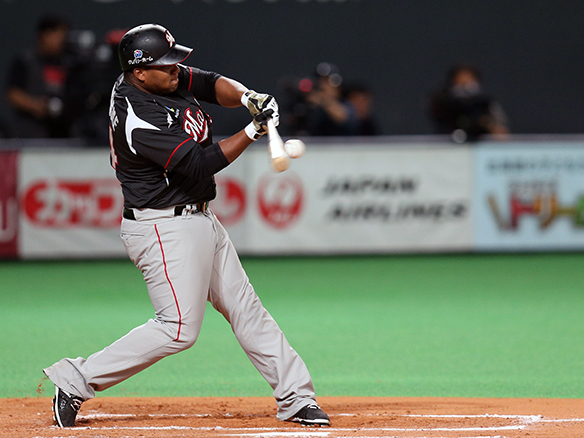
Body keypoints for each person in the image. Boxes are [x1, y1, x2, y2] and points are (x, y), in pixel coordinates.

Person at [42, 24, 330, 428]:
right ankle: (75, 380)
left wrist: (247, 97)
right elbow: (197, 164)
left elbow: (210, 83)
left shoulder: (162, 79)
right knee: (177, 329)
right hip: (163, 227)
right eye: (166, 64)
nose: (176, 69)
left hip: (198, 218)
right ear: (140, 72)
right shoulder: (138, 114)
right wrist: (252, 130)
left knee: (245, 307)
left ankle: (296, 397)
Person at [5, 15, 85, 138]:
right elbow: (13, 94)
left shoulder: (70, 64)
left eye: (63, 35)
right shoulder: (25, 61)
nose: (60, 40)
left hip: (63, 134)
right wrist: (37, 105)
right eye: (55, 34)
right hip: (30, 133)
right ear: (42, 36)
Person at [428, 63, 510, 142]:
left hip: (481, 146)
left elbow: (502, 132)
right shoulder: (444, 104)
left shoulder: (485, 104)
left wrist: (487, 125)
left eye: (469, 83)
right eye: (460, 84)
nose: (465, 89)